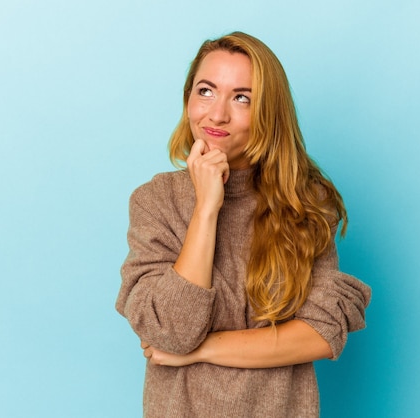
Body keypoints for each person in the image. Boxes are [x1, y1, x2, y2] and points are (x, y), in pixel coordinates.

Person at [116, 31, 371, 417]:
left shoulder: (304, 203)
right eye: (205, 91)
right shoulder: (156, 202)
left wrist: (202, 350)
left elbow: (320, 333)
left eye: (241, 98)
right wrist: (206, 208)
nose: (217, 114)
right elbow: (170, 331)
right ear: (188, 100)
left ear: (268, 112)